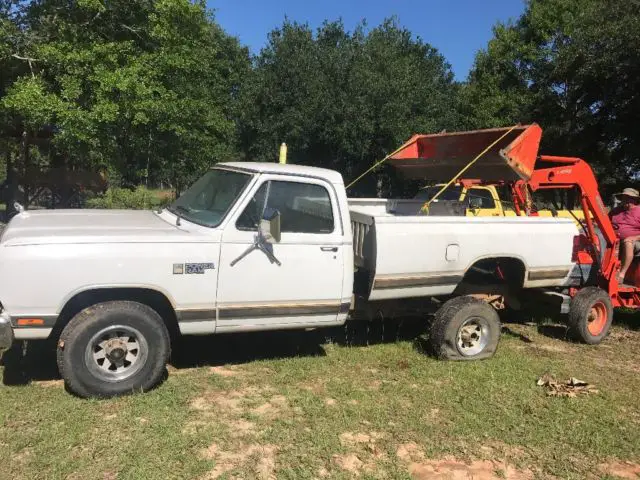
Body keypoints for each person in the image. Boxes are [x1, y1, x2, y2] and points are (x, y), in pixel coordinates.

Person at [610, 187, 640, 282]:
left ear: (635, 199)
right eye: (624, 197)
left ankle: (622, 274)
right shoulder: (615, 211)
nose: (626, 200)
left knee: (628, 242)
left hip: (636, 241)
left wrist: (635, 237)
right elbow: (605, 222)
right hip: (614, 241)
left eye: (629, 197)